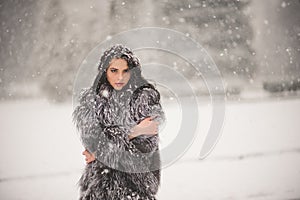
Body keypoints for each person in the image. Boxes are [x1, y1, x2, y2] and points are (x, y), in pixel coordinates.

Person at [73, 44, 165, 200]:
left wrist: (105, 147)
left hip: (136, 186)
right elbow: (92, 141)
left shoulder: (144, 99)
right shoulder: (91, 100)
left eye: (125, 71)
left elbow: (147, 144)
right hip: (99, 186)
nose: (120, 77)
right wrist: (134, 131)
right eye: (114, 71)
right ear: (105, 71)